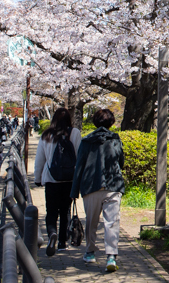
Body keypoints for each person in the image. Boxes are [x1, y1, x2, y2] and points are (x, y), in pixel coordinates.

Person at [71, 109, 124, 272]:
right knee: (111, 222)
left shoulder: (86, 141)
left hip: (91, 186)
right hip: (112, 186)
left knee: (91, 222)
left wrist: (74, 191)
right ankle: (111, 256)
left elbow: (79, 166)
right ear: (111, 123)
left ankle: (90, 252)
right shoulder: (115, 139)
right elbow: (120, 161)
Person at [33, 108, 81, 256]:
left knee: (51, 211)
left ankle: (52, 233)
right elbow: (79, 157)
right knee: (65, 210)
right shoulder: (75, 133)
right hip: (69, 179)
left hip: (51, 179)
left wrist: (37, 178)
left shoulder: (46, 135)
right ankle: (62, 242)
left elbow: (39, 159)